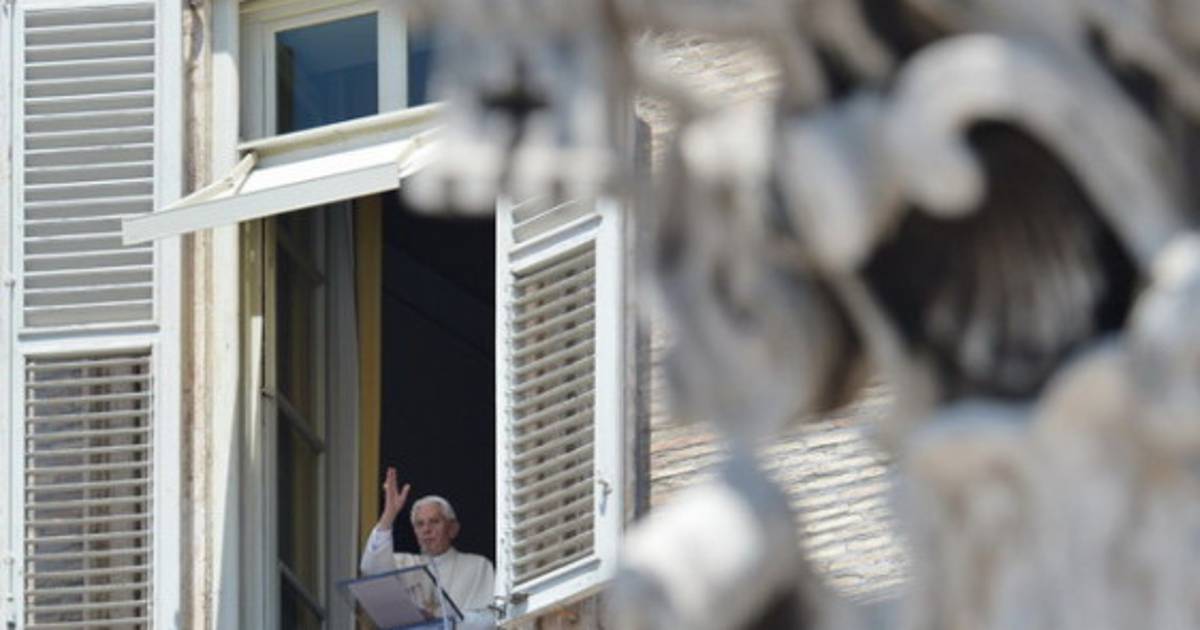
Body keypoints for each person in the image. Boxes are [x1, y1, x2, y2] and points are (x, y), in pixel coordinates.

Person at [360, 467, 495, 627]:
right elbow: (371, 569)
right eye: (420, 524)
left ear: (453, 529)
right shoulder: (404, 563)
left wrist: (441, 621)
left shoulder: (478, 566)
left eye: (434, 522)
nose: (426, 529)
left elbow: (491, 620)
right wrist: (389, 515)